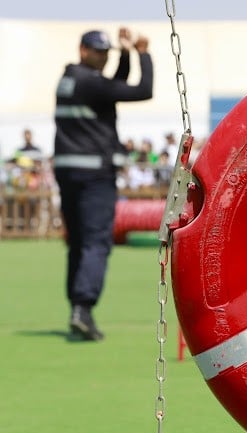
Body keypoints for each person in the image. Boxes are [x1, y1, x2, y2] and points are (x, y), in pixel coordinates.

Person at [53, 27, 153, 340]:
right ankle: (83, 308)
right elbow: (142, 90)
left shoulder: (71, 80)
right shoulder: (92, 84)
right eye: (98, 52)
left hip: (68, 171)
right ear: (83, 50)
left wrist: (124, 54)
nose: (102, 57)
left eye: (106, 53)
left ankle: (77, 309)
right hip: (94, 174)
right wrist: (142, 53)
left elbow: (110, 87)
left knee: (78, 242)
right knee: (96, 242)